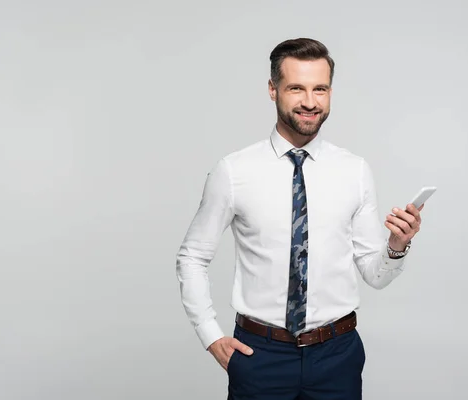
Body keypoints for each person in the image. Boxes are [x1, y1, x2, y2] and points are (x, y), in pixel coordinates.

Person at [175, 38, 424, 400]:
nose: (310, 101)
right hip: (261, 356)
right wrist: (210, 335)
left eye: (319, 89)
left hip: (337, 355)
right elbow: (192, 257)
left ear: (330, 92)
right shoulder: (234, 171)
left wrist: (397, 247)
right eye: (297, 88)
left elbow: (374, 273)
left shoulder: (354, 170)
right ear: (273, 90)